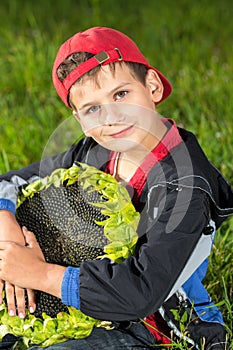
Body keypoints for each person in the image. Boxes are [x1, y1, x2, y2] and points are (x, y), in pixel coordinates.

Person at [0, 26, 232, 350]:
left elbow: (141, 292)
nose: (111, 116)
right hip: (83, 297)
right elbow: (12, 181)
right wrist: (7, 227)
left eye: (121, 94)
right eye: (93, 109)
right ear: (79, 119)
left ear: (151, 86)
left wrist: (37, 275)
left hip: (151, 324)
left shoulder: (185, 186)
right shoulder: (96, 150)